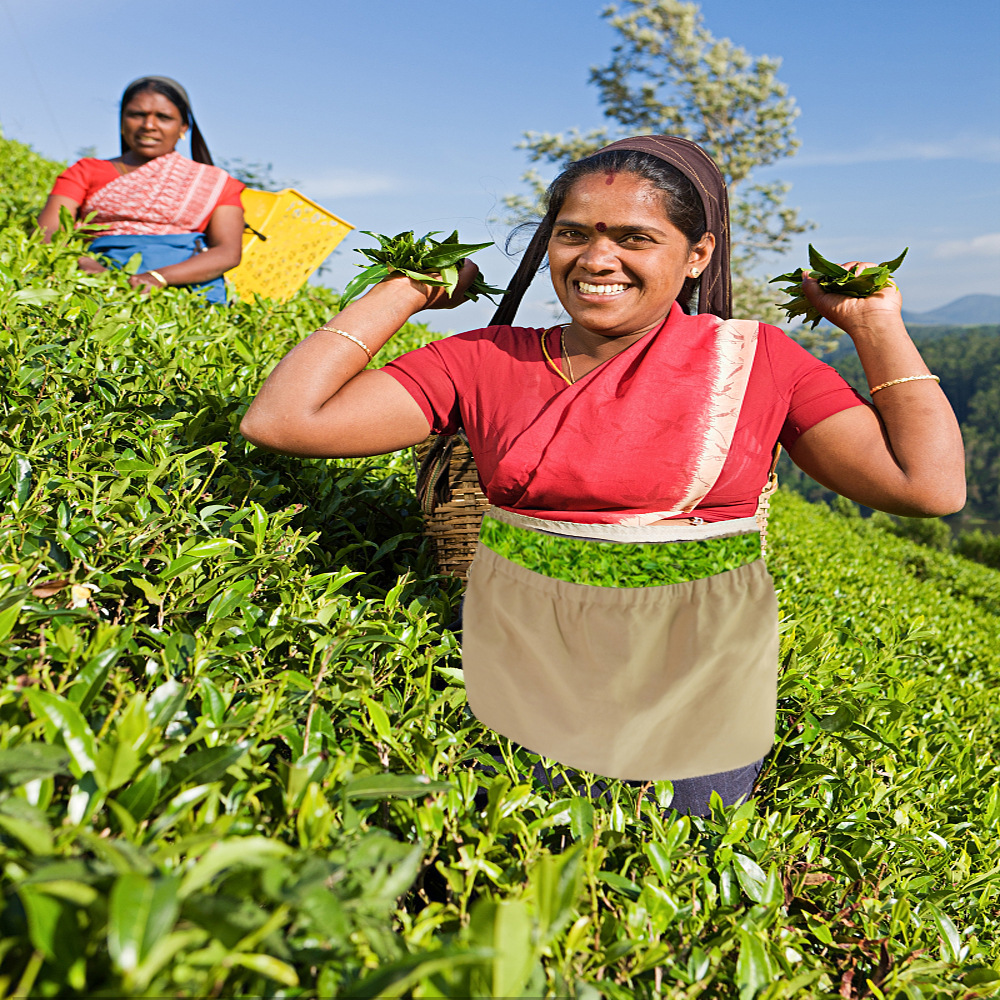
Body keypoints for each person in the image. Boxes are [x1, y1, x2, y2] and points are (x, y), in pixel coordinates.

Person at [240, 135, 965, 816]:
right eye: (574, 233)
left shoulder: (759, 362)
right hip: (519, 670)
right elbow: (284, 421)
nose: (596, 259)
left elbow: (926, 487)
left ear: (697, 254)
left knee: (669, 898)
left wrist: (874, 325)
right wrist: (404, 291)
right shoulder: (484, 359)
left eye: (634, 237)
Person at [37, 75, 244, 305]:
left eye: (164, 117)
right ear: (122, 120)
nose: (149, 126)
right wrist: (85, 265)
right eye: (137, 115)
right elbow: (49, 232)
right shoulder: (86, 170)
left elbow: (227, 252)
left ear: (183, 127)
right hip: (98, 283)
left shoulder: (215, 182)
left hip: (185, 292)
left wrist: (157, 278)